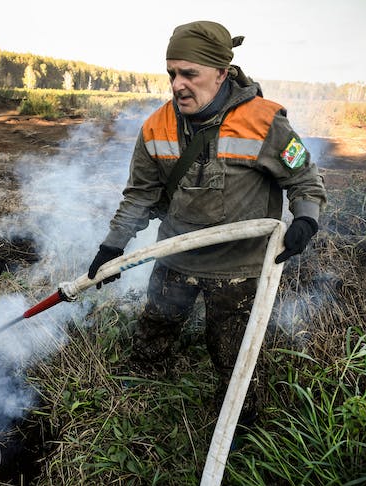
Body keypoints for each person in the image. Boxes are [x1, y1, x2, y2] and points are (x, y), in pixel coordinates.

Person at [87, 21, 327, 421]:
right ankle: (141, 399)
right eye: (172, 74)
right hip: (175, 258)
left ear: (220, 72)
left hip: (240, 269)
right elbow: (140, 196)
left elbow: (303, 177)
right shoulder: (155, 127)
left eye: (189, 73)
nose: (178, 84)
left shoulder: (266, 122)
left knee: (236, 358)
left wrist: (306, 219)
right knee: (156, 330)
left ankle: (243, 426)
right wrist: (112, 247)